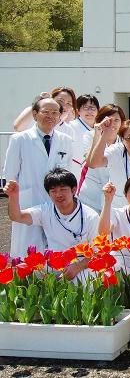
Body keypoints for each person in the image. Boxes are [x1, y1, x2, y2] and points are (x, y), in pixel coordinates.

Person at [4, 96, 74, 257]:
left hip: (56, 202)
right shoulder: (19, 139)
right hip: (29, 201)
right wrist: (14, 198)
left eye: (55, 113)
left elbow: (69, 174)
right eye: (46, 112)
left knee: (56, 250)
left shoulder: (66, 140)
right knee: (26, 251)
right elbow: (10, 174)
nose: (50, 116)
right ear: (35, 114)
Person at [5, 169, 98, 279]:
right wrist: (13, 196)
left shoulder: (90, 216)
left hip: (80, 266)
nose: (58, 194)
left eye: (63, 189)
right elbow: (17, 216)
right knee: (26, 275)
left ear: (74, 190)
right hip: (54, 263)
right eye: (53, 191)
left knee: (83, 280)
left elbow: (97, 252)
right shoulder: (45, 210)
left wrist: (77, 267)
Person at [79, 104, 126, 212]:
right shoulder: (90, 135)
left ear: (122, 123)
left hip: (115, 196)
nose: (112, 124)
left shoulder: (124, 141)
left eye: (117, 120)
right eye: (109, 120)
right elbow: (90, 162)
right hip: (91, 193)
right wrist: (97, 135)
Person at [13, 86, 77, 132]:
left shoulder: (68, 130)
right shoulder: (34, 113)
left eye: (69, 103)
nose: (64, 106)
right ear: (52, 99)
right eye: (60, 101)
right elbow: (18, 127)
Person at [66, 94, 99, 176]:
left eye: (92, 108)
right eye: (85, 108)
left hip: (95, 172)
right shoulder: (70, 126)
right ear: (78, 111)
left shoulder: (100, 128)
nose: (89, 111)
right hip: (74, 169)